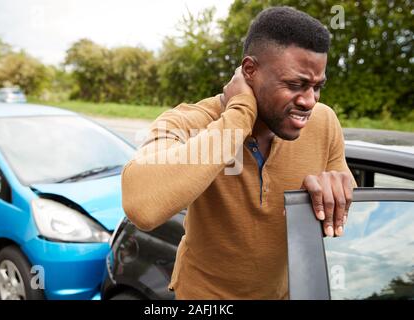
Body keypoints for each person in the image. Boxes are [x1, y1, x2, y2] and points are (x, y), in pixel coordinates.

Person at [121, 6, 356, 299]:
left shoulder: (324, 122)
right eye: (295, 84)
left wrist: (336, 191)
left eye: (316, 87)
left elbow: (344, 185)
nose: (309, 101)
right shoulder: (187, 122)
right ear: (250, 71)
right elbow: (142, 206)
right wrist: (240, 113)